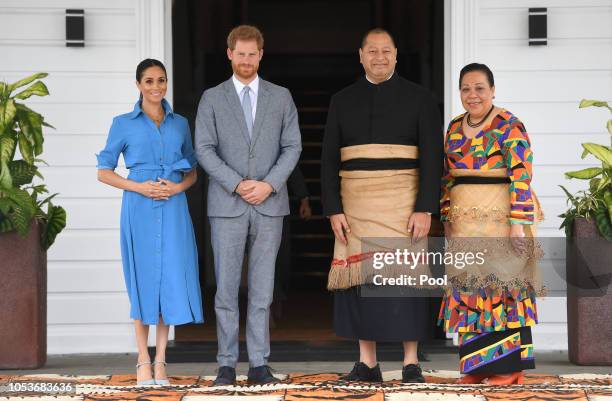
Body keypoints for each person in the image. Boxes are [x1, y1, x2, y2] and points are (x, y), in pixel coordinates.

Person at [321, 28, 443, 383]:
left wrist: (425, 207)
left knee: (408, 282)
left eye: (385, 51)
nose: (379, 57)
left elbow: (433, 158)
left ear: (395, 55)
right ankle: (367, 362)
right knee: (359, 281)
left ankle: (410, 363)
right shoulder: (341, 99)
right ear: (360, 55)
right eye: (372, 51)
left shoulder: (420, 98)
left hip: (404, 203)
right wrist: (333, 208)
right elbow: (329, 158)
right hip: (355, 204)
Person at [194, 25, 301, 385]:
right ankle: (226, 363)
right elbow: (204, 149)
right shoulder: (212, 98)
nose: (246, 60)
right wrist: (238, 184)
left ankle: (258, 363)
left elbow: (292, 147)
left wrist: (269, 184)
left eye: (252, 54)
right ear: (229, 54)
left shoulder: (281, 96)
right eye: (240, 53)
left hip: (270, 204)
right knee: (225, 289)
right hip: (227, 204)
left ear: (261, 54)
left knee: (262, 289)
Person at [96, 59, 204, 386]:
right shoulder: (123, 123)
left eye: (161, 81)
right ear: (138, 85)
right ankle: (142, 359)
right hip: (139, 209)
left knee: (170, 279)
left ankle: (161, 362)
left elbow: (193, 171)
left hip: (173, 208)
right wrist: (139, 186)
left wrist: (177, 187)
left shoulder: (180, 123)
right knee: (143, 280)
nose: (156, 87)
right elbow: (104, 171)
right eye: (149, 81)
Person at [438, 63, 544, 385]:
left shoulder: (510, 125)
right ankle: (475, 368)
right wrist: (446, 216)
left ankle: (508, 369)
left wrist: (518, 223)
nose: (473, 95)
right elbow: (447, 176)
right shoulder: (455, 127)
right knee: (470, 291)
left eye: (479, 88)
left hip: (501, 217)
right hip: (465, 221)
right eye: (466, 89)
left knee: (503, 290)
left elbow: (522, 175)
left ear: (493, 90)